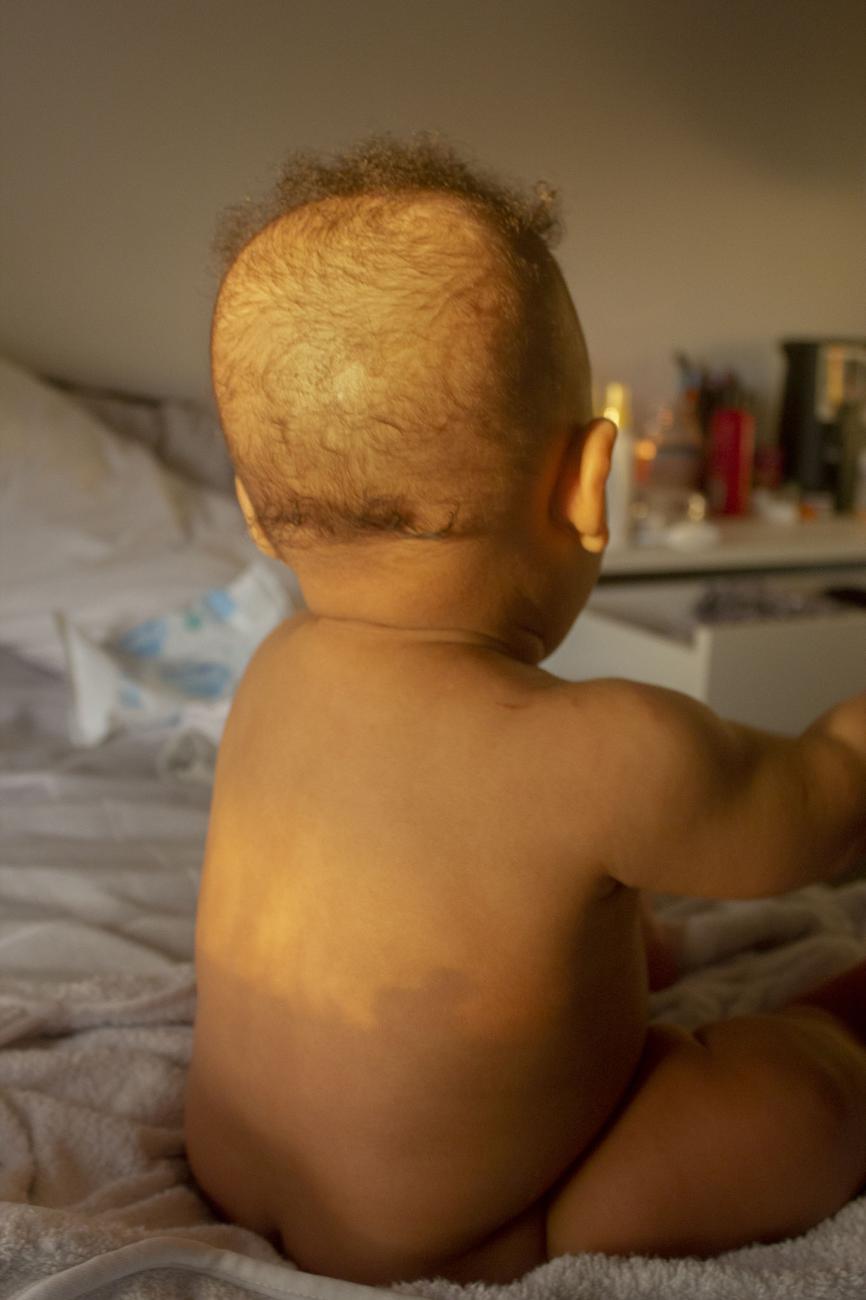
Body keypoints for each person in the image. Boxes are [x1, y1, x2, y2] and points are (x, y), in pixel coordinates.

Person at [184, 132, 866, 1286]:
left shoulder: (271, 673)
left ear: (256, 510)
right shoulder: (604, 750)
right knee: (793, 1104)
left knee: (571, 913)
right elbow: (818, 811)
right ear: (588, 482)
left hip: (237, 1163)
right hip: (478, 1225)